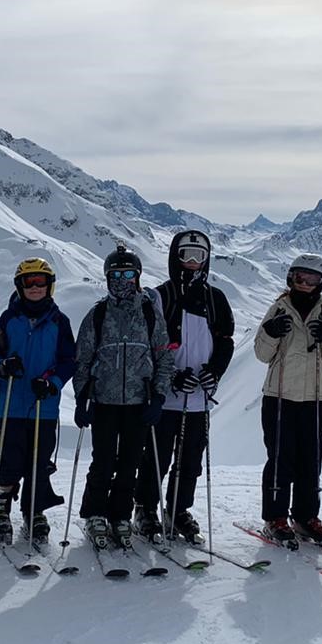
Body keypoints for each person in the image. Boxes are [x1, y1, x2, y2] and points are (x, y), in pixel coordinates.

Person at [133, 229, 234, 542]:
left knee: (190, 458)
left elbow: (225, 342)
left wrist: (214, 372)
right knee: (157, 456)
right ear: (174, 258)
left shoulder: (215, 299)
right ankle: (146, 508)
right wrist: (171, 376)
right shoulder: (160, 296)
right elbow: (146, 345)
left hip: (199, 398)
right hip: (166, 397)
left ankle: (178, 509)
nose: (192, 262)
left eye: (199, 256)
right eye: (186, 255)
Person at [73, 244, 172, 549]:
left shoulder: (150, 313)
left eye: (129, 273)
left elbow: (163, 358)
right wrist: (82, 397)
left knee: (130, 462)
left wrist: (158, 396)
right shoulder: (99, 314)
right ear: (106, 277)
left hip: (138, 403)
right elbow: (84, 359)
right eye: (116, 274)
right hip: (104, 400)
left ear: (138, 276)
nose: (122, 279)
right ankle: (95, 514)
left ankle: (120, 515)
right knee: (102, 461)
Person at [0, 258, 77, 545]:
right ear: (20, 286)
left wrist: (53, 383)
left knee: (39, 461)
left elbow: (68, 361)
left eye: (40, 282)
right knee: (9, 459)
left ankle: (34, 511)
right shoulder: (8, 320)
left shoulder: (60, 322)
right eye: (29, 282)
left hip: (43, 406)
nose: (35, 288)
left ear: (50, 286)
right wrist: (3, 366)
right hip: (11, 403)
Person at [253, 254, 322, 547]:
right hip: (279, 395)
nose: (305, 285)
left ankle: (306, 517)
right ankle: (275, 517)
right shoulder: (278, 309)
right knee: (280, 458)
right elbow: (261, 353)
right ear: (290, 279)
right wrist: (270, 332)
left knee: (310, 460)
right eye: (300, 278)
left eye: (312, 280)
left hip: (315, 398)